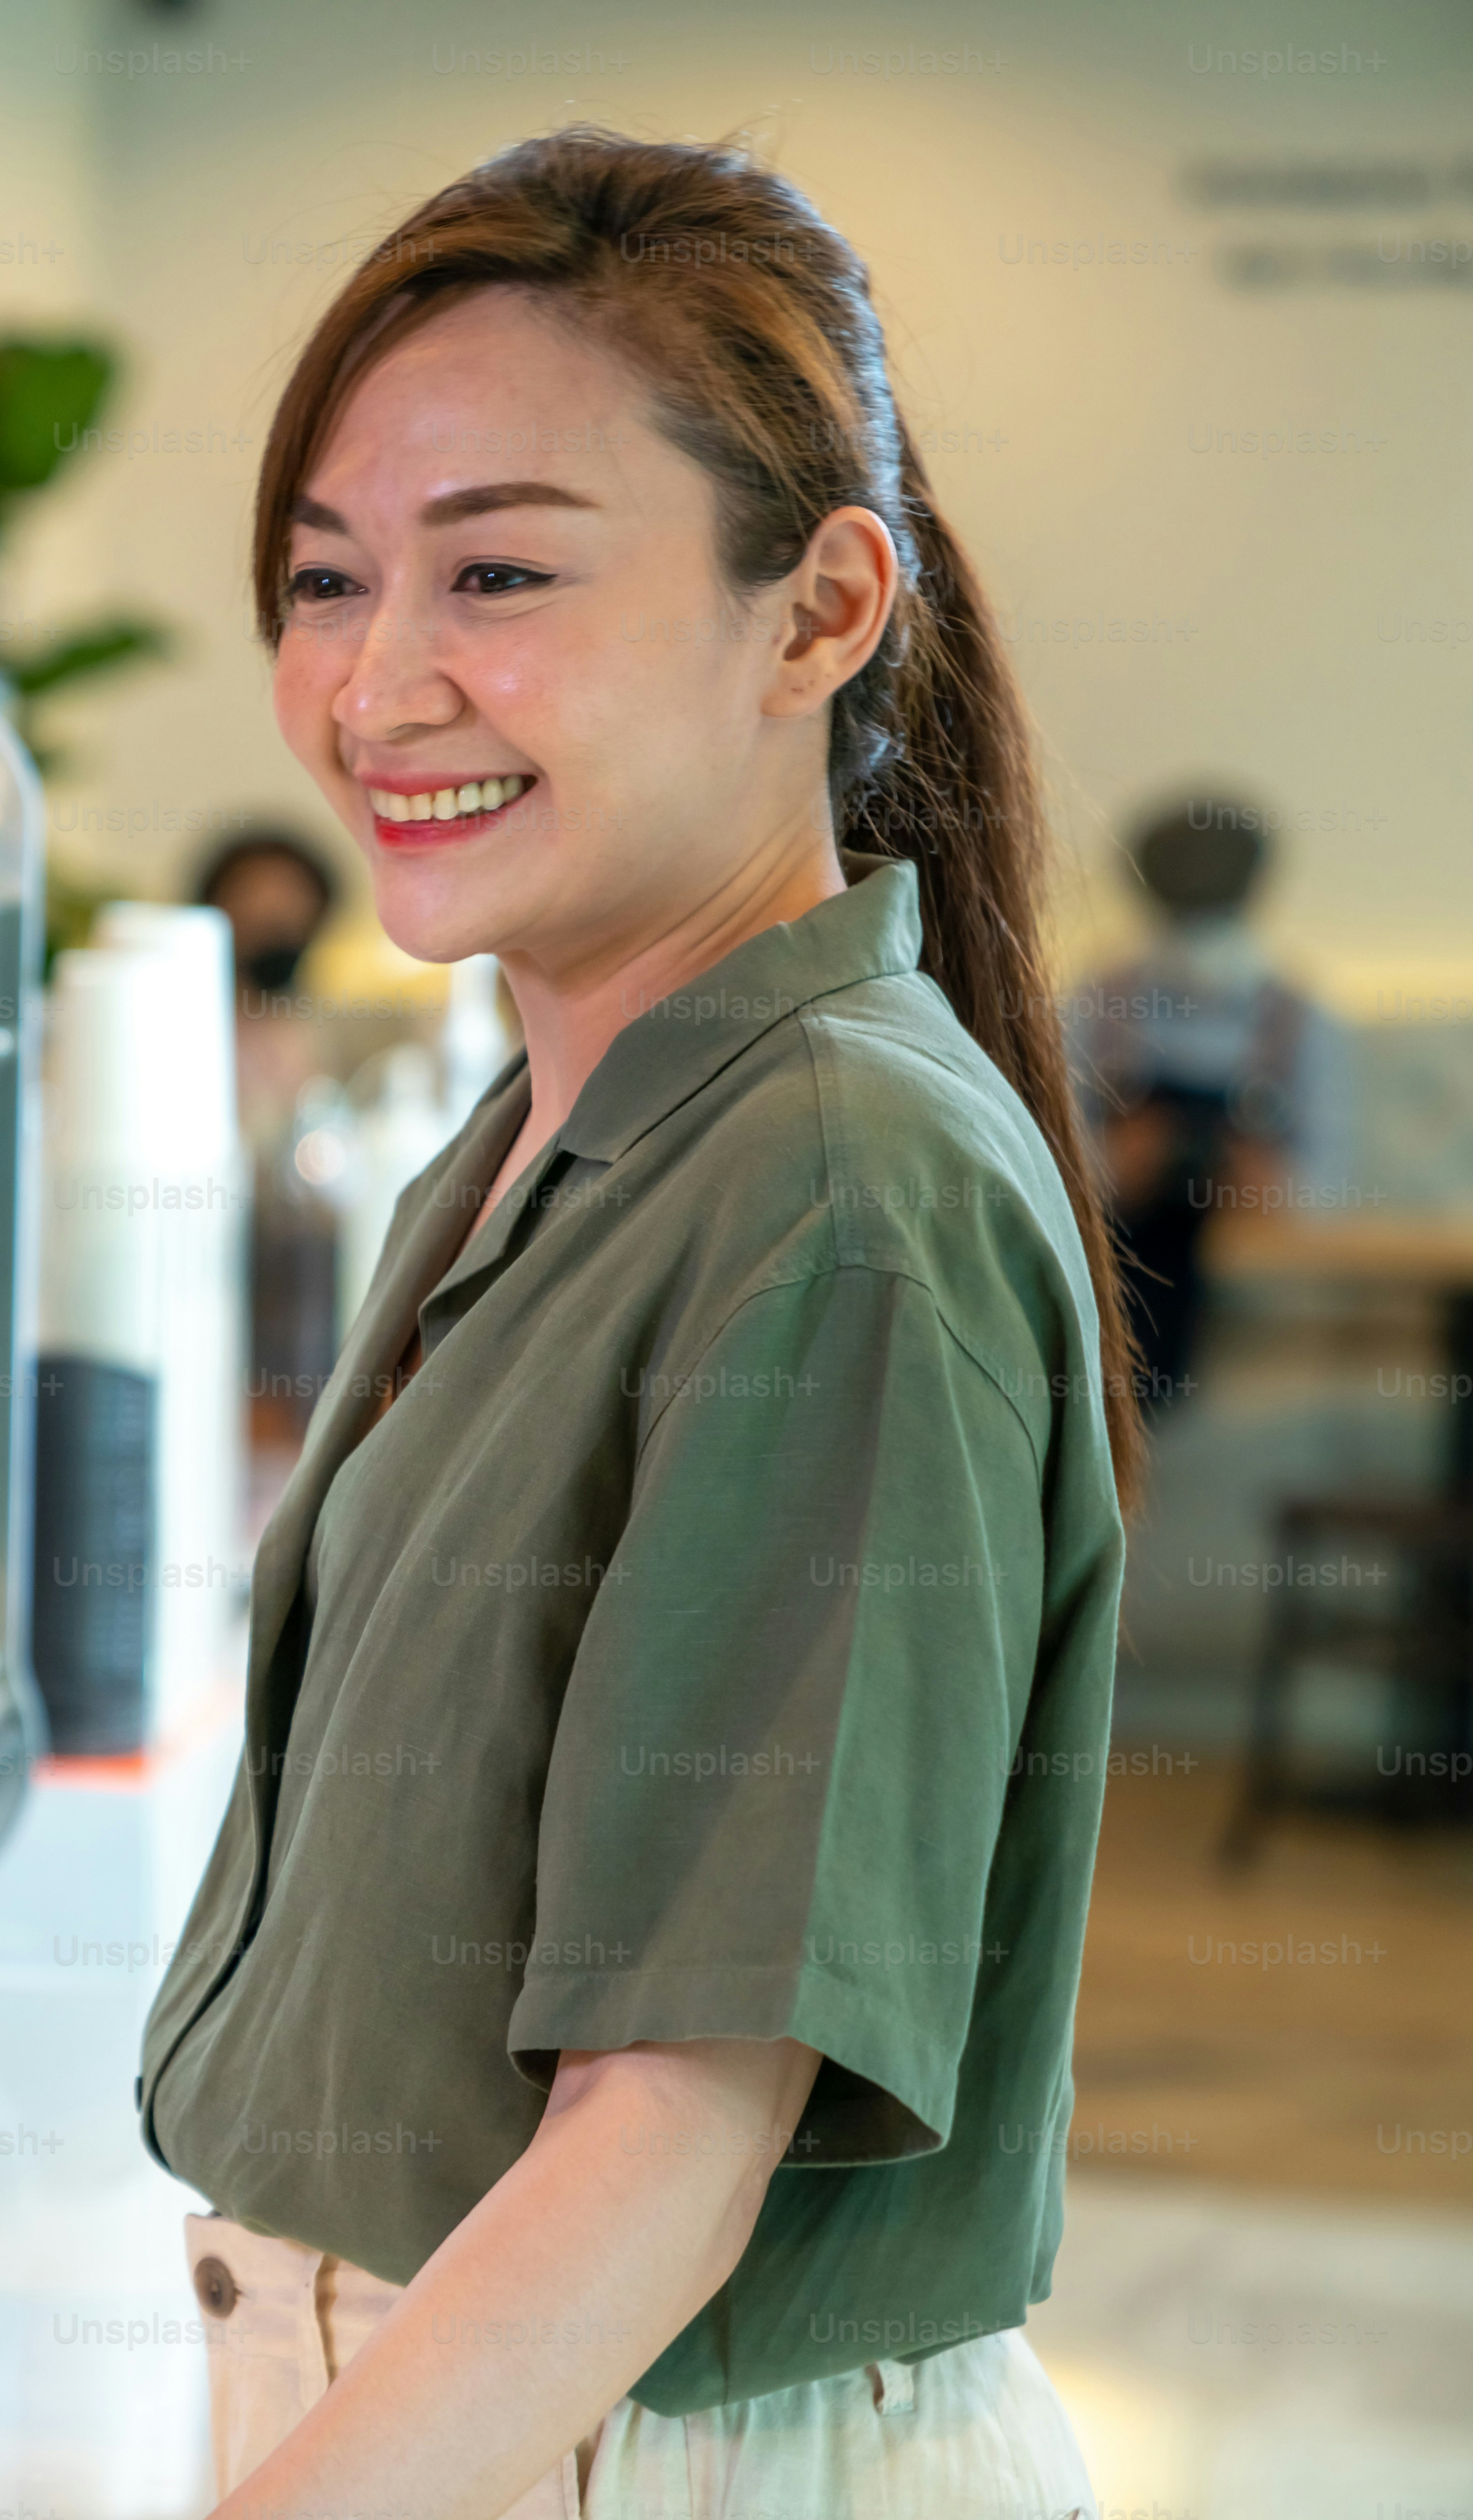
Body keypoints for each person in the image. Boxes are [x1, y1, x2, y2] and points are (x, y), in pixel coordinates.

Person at [134, 129, 1139, 2517]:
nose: (378, 683)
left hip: (628, 2438)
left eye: (498, 569)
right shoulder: (547, 1133)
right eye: (323, 577)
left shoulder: (835, 1188)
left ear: (819, 610)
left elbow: (668, 2134)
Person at [1069, 793, 1349, 1422]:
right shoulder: (1096, 1002)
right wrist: (1119, 1163)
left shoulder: (1299, 1018)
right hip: (1125, 1251)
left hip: (1237, 1261)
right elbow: (1046, 1162)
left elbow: (1330, 1183)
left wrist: (1267, 1186)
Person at [195, 820, 349, 1451]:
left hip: (297, 1314)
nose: (273, 924)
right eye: (254, 905)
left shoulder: (327, 1042)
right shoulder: (187, 1036)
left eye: (291, 910)